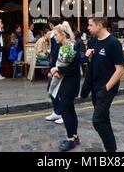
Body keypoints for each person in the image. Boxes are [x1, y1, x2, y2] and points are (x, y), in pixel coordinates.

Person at [81, 16, 124, 152]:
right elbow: (93, 66)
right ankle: (111, 149)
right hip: (95, 86)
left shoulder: (113, 43)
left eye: (90, 25)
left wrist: (106, 88)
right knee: (104, 118)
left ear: (99, 25)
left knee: (98, 120)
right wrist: (87, 57)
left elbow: (120, 70)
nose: (88, 28)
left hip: (106, 88)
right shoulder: (93, 42)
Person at [49, 22, 81, 151]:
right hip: (65, 82)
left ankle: (70, 140)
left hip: (70, 83)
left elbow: (73, 68)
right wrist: (55, 70)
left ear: (62, 35)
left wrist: (58, 70)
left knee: (65, 110)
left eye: (56, 35)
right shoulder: (63, 46)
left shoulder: (71, 47)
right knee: (70, 110)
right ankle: (74, 136)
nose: (54, 37)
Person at [45, 17, 63, 124]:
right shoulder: (54, 36)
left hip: (58, 67)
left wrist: (51, 69)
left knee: (56, 91)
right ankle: (57, 111)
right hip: (55, 66)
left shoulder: (57, 35)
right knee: (52, 89)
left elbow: (55, 54)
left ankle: (61, 113)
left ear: (51, 25)